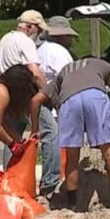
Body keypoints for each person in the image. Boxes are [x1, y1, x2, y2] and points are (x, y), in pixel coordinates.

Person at [30, 57, 110, 211]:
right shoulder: (103, 64)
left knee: (72, 156)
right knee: (109, 151)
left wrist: (35, 129)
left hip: (68, 102)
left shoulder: (65, 71)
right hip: (95, 97)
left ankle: (73, 204)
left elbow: (35, 100)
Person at [0, 10, 61, 196]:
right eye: (38, 30)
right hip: (25, 95)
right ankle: (49, 183)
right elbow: (35, 72)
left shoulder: (6, 38)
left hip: (7, 95)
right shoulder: (25, 41)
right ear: (30, 27)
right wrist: (47, 93)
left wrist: (0, 81)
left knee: (13, 137)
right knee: (50, 132)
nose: (39, 34)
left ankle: (10, 181)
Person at [34, 15, 78, 197]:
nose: (71, 40)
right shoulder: (59, 52)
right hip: (56, 103)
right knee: (56, 140)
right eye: (68, 36)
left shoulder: (41, 49)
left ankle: (49, 180)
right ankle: (52, 182)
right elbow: (69, 77)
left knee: (48, 141)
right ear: (61, 36)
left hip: (42, 100)